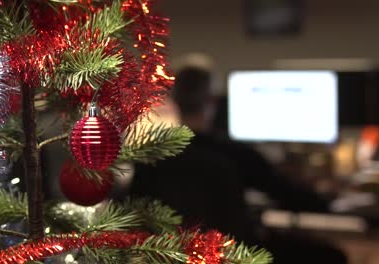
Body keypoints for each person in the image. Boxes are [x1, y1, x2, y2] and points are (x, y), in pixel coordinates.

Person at [129, 66, 347, 264]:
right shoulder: (235, 154)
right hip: (236, 255)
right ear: (213, 101)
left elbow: (133, 212)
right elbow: (291, 196)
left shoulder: (151, 156)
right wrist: (327, 198)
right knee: (331, 256)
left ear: (174, 101)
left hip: (169, 257)